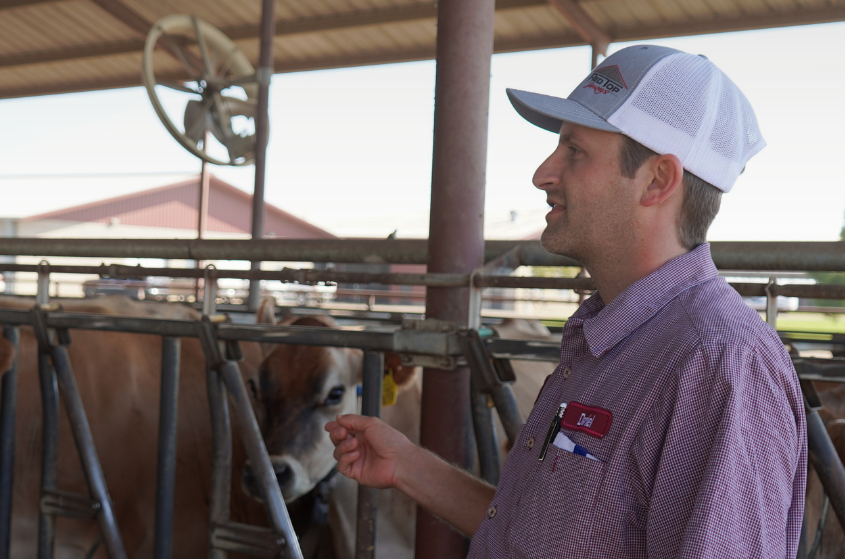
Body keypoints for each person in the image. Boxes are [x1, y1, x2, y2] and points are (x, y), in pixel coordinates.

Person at [327, 45, 806, 557]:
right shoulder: (608, 335)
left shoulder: (718, 363)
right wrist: (408, 465)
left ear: (657, 180)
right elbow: (547, 536)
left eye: (574, 151)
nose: (543, 173)